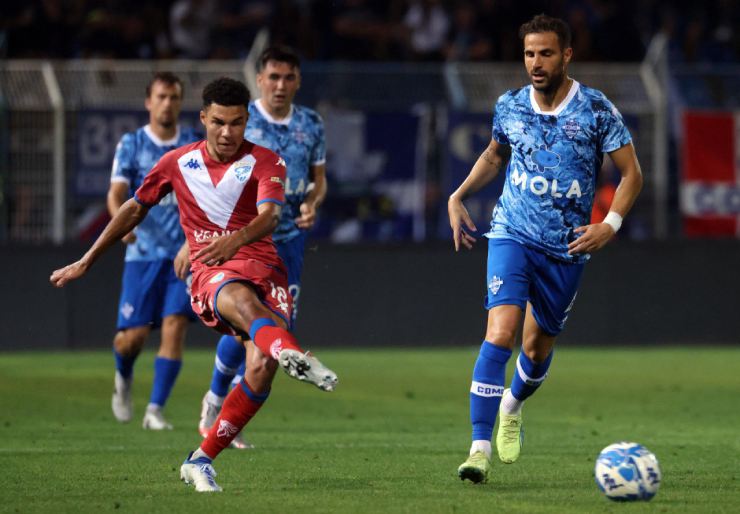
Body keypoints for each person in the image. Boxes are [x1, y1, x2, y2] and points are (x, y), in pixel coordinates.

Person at [50, 77, 338, 493]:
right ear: (203, 118)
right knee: (239, 301)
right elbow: (134, 208)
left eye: (237, 123)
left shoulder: (267, 162)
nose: (227, 132)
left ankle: (199, 460)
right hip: (212, 275)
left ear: (245, 123)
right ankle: (291, 350)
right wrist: (86, 259)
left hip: (265, 269)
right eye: (218, 122)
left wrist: (234, 240)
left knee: (260, 368)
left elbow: (271, 217)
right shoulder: (175, 163)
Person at [448, 14, 642, 484]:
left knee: (536, 350)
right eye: (530, 53)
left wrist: (609, 224)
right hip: (512, 231)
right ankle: (478, 448)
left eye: (546, 53)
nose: (536, 63)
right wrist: (458, 195)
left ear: (567, 55)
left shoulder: (595, 109)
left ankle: (512, 404)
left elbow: (631, 174)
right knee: (501, 332)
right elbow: (495, 154)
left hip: (567, 248)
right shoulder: (510, 105)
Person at [194, 46, 327, 450]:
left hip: (290, 242)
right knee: (247, 326)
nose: (280, 85)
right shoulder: (241, 121)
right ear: (260, 79)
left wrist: (313, 203)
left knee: (276, 330)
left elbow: (319, 179)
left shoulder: (312, 124)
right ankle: (217, 403)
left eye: (288, 78)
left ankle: (225, 409)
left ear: (298, 81)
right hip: (246, 240)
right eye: (273, 77)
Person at [108, 72, 200, 430]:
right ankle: (123, 375)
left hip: (184, 251)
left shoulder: (193, 143)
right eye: (161, 97)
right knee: (133, 338)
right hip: (143, 253)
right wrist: (122, 222)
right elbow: (117, 193)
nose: (168, 104)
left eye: (174, 97)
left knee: (175, 325)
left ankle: (155, 410)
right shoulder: (132, 144)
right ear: (149, 101)